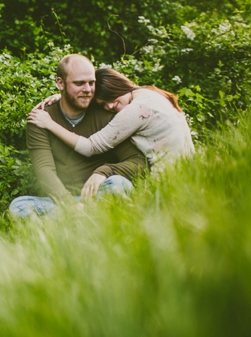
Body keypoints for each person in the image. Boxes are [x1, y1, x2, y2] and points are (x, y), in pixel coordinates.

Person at [9, 54, 148, 218]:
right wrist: (70, 205)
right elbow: (44, 171)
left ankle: (74, 222)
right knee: (18, 207)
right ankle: (92, 218)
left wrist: (105, 171)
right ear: (60, 83)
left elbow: (139, 162)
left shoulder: (105, 112)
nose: (88, 90)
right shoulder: (40, 119)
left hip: (100, 192)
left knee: (120, 185)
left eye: (91, 83)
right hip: (61, 200)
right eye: (79, 83)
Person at [28, 67, 195, 174]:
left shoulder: (136, 110)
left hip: (167, 178)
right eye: (102, 104)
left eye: (110, 96)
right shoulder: (149, 93)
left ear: (117, 85)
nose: (109, 106)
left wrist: (49, 124)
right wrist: (64, 98)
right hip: (188, 171)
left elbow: (91, 147)